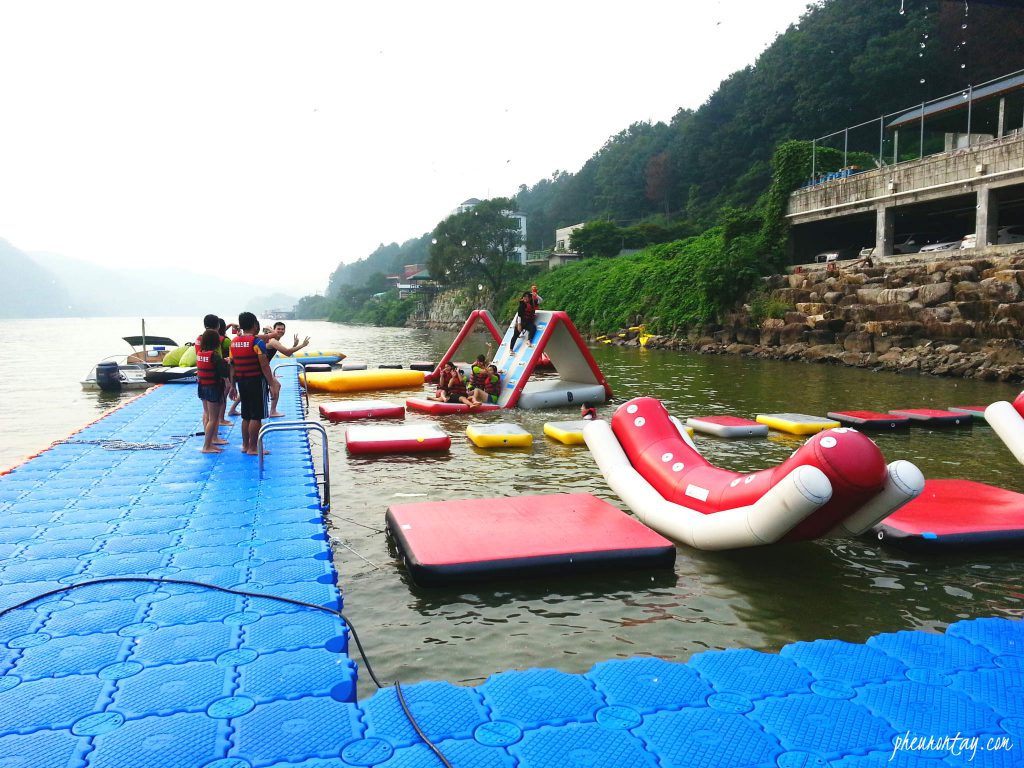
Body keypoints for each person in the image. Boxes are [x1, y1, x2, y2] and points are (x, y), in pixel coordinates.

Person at [229, 312, 274, 456]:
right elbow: (264, 365)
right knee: (256, 416)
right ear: (255, 325)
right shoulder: (257, 342)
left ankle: (245, 445)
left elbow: (232, 365)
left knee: (246, 415)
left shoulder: (233, 342)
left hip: (242, 381)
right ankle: (253, 448)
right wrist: (272, 384)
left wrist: (232, 385)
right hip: (256, 381)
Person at [264, 321, 310, 418]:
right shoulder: (273, 341)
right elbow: (287, 353)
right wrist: (302, 345)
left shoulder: (274, 339)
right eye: (278, 329)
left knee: (276, 386)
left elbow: (287, 351)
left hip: (264, 367)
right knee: (275, 386)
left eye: (282, 329)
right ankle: (272, 411)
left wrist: (294, 345)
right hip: (261, 368)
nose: (281, 331)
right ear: (274, 330)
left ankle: (272, 411)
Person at [196, 329, 231, 453]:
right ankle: (207, 446)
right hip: (212, 388)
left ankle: (212, 440)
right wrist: (228, 363)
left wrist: (223, 362)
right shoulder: (214, 356)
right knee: (213, 418)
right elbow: (224, 372)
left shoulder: (200, 353)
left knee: (207, 414)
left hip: (202, 387)